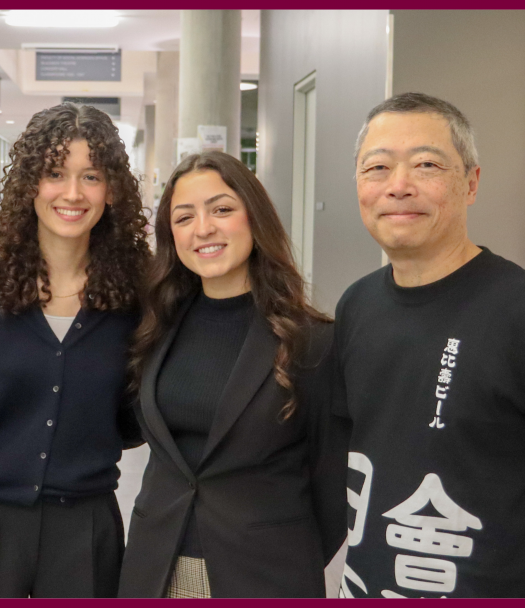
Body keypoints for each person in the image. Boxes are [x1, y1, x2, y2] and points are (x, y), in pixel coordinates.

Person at [335, 92, 525, 598]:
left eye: (426, 164)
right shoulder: (356, 306)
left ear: (470, 183)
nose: (398, 186)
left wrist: (516, 581)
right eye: (376, 167)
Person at [0, 103, 151, 598]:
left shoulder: (139, 295)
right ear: (31, 183)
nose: (72, 194)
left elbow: (142, 409)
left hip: (86, 525)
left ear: (112, 190)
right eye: (56, 173)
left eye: (91, 176)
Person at [118, 151, 347, 598]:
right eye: (184, 218)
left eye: (222, 209)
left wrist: (284, 554)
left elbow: (332, 480)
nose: (203, 228)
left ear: (254, 218)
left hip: (264, 572)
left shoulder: (312, 341)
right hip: (155, 566)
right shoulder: (154, 327)